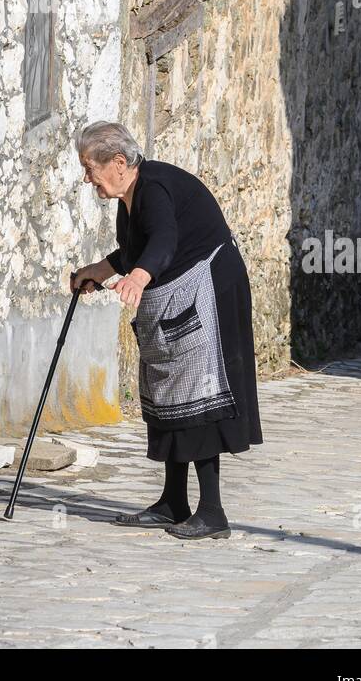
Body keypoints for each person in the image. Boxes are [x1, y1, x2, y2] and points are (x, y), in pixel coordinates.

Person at [71, 122, 263, 540]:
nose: (87, 178)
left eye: (90, 168)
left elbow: (164, 240)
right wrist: (99, 271)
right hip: (177, 295)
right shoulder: (132, 194)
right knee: (169, 392)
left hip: (208, 292)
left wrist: (138, 278)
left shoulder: (155, 189)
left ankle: (212, 512)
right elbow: (136, 249)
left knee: (200, 394)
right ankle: (173, 501)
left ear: (119, 164)